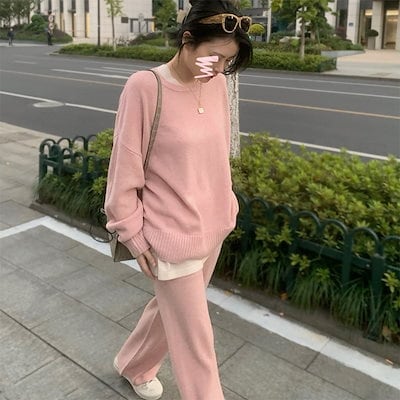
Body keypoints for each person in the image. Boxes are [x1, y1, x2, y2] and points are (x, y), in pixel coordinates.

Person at [104, 0, 252, 399]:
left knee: (168, 312)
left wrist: (227, 205)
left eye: (228, 61)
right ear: (187, 40)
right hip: (170, 235)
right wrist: (132, 234)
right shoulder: (145, 87)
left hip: (213, 227)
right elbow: (123, 169)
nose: (219, 68)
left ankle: (133, 363)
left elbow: (218, 154)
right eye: (214, 57)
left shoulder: (217, 84)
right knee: (196, 339)